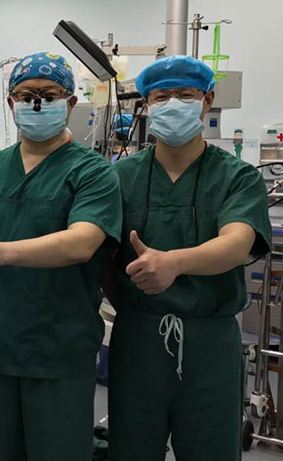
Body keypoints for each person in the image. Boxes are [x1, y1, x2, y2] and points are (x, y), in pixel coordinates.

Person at [0, 52, 123, 461]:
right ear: (11, 103)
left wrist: (2, 253)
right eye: (25, 95)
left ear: (70, 103)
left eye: (48, 95)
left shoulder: (92, 172)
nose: (35, 103)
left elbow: (82, 242)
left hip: (58, 346)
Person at [104, 56, 271, 461]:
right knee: (131, 448)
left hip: (210, 343)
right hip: (137, 340)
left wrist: (174, 263)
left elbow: (237, 243)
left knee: (210, 449)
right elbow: (101, 252)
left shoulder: (237, 177)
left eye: (185, 95)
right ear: (146, 105)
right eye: (161, 97)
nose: (173, 104)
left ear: (207, 100)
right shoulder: (120, 177)